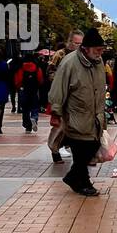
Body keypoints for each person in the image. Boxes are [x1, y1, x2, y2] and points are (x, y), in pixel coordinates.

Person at [48, 27, 107, 197]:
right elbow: (58, 89)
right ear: (86, 48)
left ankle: (75, 178)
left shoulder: (98, 61)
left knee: (92, 146)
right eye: (97, 50)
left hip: (95, 114)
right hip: (76, 114)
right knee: (82, 150)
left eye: (101, 50)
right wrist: (56, 112)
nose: (100, 53)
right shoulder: (69, 62)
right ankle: (82, 181)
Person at [47, 31, 84, 163]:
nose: (79, 46)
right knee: (60, 126)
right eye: (76, 43)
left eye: (81, 43)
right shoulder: (60, 54)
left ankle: (77, 152)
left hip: (77, 97)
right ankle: (54, 149)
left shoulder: (83, 55)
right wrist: (61, 82)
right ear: (70, 42)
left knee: (77, 126)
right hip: (62, 95)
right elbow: (50, 72)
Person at [14, 53, 44, 133]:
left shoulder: (21, 67)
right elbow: (40, 79)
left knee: (25, 109)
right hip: (34, 90)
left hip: (24, 90)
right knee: (34, 106)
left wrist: (19, 87)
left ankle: (27, 126)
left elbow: (18, 80)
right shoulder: (37, 67)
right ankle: (34, 118)